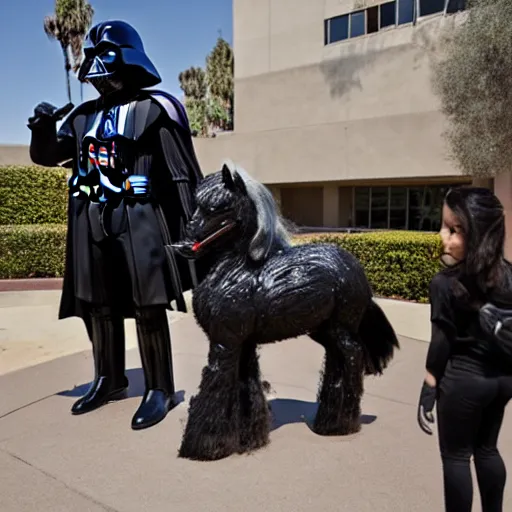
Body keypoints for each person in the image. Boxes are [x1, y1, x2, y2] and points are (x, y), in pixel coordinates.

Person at [27, 20, 204, 430]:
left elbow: (181, 173)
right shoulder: (83, 116)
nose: (95, 67)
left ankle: (159, 387)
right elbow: (50, 155)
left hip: (138, 216)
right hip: (90, 215)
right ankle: (109, 377)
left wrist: (196, 230)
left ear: (128, 59)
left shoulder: (155, 109)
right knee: (99, 305)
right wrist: (41, 127)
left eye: (103, 54)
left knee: (148, 304)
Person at [417, 186, 512, 511]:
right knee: (487, 449)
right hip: (502, 382)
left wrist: (429, 387)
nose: (443, 236)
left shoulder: (444, 283)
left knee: (456, 457)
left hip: (463, 384)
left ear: (479, 232)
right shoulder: (509, 276)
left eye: (454, 229)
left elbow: (441, 342)